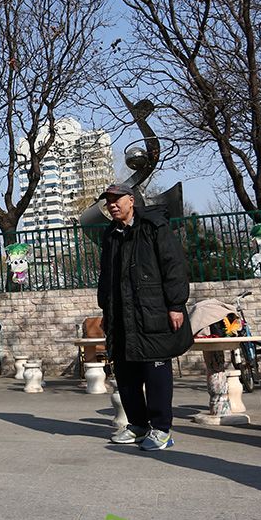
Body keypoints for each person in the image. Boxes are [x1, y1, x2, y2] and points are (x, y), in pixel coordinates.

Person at [97, 183, 193, 452]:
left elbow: (173, 264)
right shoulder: (111, 234)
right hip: (120, 313)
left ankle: (161, 429)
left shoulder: (153, 226)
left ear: (131, 200)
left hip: (153, 311)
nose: (112, 205)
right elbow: (106, 276)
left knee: (155, 371)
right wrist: (106, 309)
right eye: (108, 201)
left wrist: (175, 304)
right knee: (126, 372)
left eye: (117, 199)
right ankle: (138, 425)